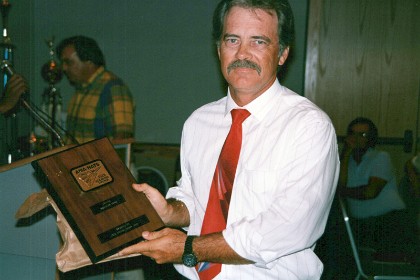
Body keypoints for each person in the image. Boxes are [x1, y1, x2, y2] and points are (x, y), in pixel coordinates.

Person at [119, 1, 340, 279]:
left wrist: (188, 247)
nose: (242, 53)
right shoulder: (199, 122)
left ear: (283, 53)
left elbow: (286, 229)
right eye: (232, 40)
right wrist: (170, 212)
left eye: (259, 41)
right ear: (219, 49)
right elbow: (195, 196)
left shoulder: (309, 127)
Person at [338, 117, 410, 254]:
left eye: (362, 135)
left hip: (389, 222)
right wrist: (346, 154)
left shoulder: (381, 157)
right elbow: (340, 184)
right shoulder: (347, 162)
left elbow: (370, 192)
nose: (356, 138)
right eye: (353, 133)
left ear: (371, 138)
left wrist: (342, 192)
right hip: (360, 224)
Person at [56, 35, 134, 144]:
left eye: (68, 62)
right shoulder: (81, 89)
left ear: (89, 61)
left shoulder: (113, 89)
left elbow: (122, 141)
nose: (63, 68)